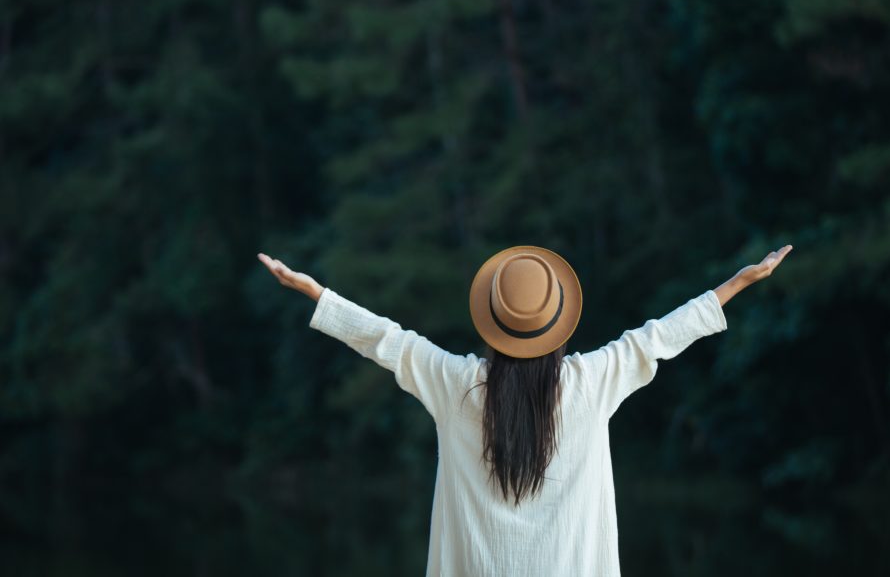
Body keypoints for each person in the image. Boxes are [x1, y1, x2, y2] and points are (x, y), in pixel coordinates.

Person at [257, 243, 792, 577]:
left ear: (493, 324)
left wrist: (316, 293)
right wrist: (738, 283)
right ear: (557, 326)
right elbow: (657, 338)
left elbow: (386, 341)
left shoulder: (456, 385)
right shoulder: (591, 382)